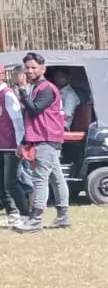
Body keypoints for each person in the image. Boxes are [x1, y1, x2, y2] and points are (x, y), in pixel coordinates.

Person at [13, 52, 70, 233]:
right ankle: (63, 216)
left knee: (40, 179)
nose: (29, 71)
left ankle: (35, 220)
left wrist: (22, 91)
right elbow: (30, 117)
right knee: (56, 178)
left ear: (43, 69)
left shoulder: (46, 88)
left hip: (46, 139)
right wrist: (23, 141)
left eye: (33, 68)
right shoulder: (37, 88)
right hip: (42, 138)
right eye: (27, 68)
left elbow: (35, 110)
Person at [0, 65, 25, 226]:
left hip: (10, 145)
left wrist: (20, 143)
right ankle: (12, 213)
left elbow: (18, 121)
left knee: (11, 182)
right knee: (2, 183)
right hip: (1, 144)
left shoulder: (7, 94)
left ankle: (26, 213)